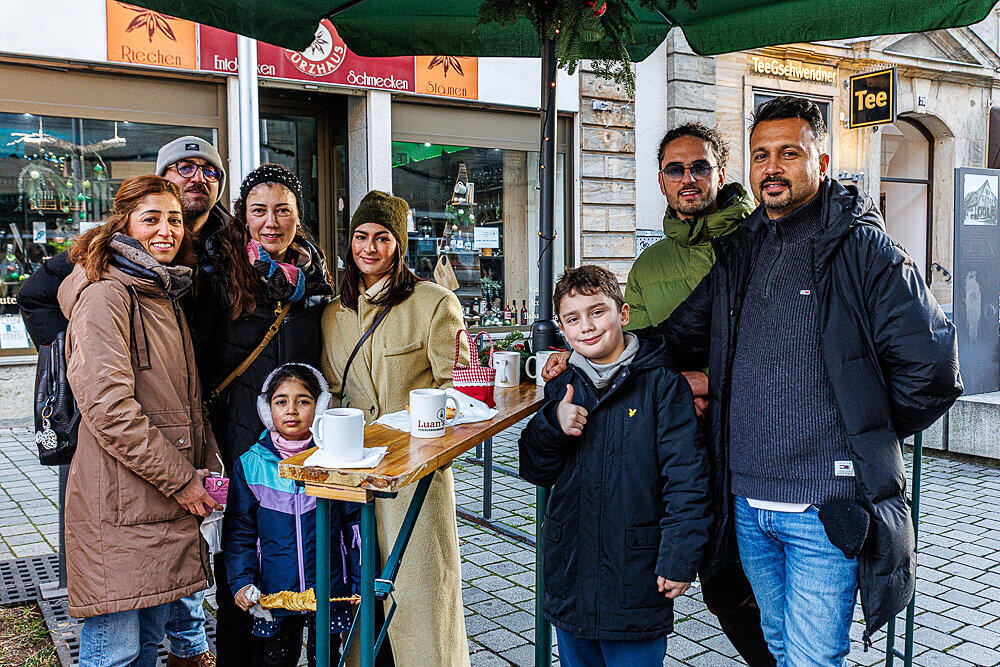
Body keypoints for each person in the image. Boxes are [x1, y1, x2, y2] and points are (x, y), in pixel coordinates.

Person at [548, 95, 962, 664]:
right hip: (749, 503)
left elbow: (933, 369)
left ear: (821, 161)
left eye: (789, 153)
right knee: (776, 647)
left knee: (813, 658)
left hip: (825, 506)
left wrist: (860, 434)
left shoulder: (863, 247)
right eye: (761, 154)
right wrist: (587, 360)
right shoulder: (742, 250)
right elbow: (673, 335)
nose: (772, 167)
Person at [16, 135, 231, 667]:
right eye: (152, 219)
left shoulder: (162, 290)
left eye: (175, 221)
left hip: (153, 501)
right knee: (114, 653)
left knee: (142, 647)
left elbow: (183, 401)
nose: (167, 231)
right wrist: (182, 478)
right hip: (121, 501)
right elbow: (110, 408)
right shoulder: (108, 294)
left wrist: (204, 468)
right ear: (124, 225)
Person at [623, 123, 773, 665]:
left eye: (700, 166)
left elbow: (775, 346)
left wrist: (708, 382)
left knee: (737, 577)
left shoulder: (759, 240)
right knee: (701, 572)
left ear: (722, 173)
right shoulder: (648, 265)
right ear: (660, 181)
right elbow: (632, 352)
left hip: (751, 436)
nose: (689, 178)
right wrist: (675, 386)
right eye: (675, 169)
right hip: (673, 439)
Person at [519, 265, 710, 666]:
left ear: (623, 314)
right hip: (571, 570)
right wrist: (552, 424)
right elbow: (534, 468)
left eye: (597, 312)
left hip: (636, 575)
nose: (587, 327)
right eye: (573, 319)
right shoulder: (562, 384)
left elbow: (687, 479)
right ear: (562, 328)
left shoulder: (663, 385)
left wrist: (679, 558)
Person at [192, 163, 334, 666]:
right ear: (242, 216)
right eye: (259, 210)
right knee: (242, 550)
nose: (270, 221)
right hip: (239, 438)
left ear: (299, 217)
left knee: (301, 549)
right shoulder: (217, 274)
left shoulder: (315, 281)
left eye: (283, 210)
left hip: (301, 439)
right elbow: (199, 363)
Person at [320, 190, 470, 666]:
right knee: (355, 592)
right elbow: (330, 390)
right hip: (349, 474)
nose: (369, 247)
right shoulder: (332, 314)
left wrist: (420, 435)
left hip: (415, 479)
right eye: (360, 237)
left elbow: (460, 393)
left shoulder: (434, 303)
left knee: (423, 597)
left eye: (382, 238)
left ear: (399, 246)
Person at [225, 363, 359, 667]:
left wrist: (361, 579)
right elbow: (240, 532)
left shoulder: (335, 459)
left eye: (303, 401)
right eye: (281, 401)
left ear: (320, 406)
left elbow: (355, 526)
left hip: (330, 588)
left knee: (324, 656)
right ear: (266, 408)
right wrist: (242, 580)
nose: (292, 410)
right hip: (274, 590)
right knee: (277, 657)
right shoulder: (250, 466)